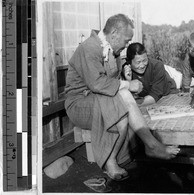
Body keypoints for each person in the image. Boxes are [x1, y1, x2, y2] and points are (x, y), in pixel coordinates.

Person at [64, 14, 180, 181]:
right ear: (114, 33)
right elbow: (97, 83)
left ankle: (147, 147)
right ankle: (115, 160)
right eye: (126, 40)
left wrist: (124, 82)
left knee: (123, 104)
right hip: (79, 104)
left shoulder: (111, 51)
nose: (127, 45)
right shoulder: (89, 47)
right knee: (122, 108)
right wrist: (128, 84)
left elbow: (111, 85)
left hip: (99, 99)